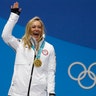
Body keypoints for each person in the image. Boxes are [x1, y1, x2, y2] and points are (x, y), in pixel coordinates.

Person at [1, 2, 56, 96]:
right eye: (33, 27)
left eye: (39, 27)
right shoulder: (20, 44)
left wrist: (51, 92)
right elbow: (5, 36)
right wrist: (14, 15)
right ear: (29, 29)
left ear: (42, 30)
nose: (36, 29)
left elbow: (51, 72)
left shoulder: (49, 48)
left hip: (39, 93)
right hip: (16, 93)